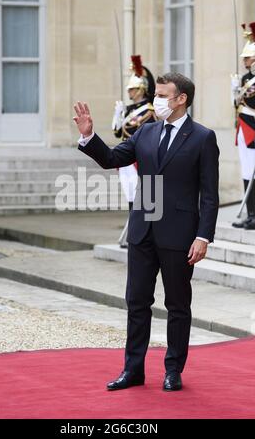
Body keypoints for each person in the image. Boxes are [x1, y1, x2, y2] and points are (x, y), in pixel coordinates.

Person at [74, 72, 219, 392]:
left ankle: (173, 370)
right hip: (143, 229)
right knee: (136, 302)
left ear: (181, 99)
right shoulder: (146, 131)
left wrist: (203, 236)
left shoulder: (202, 137)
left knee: (178, 305)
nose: (157, 100)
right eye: (157, 94)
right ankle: (133, 370)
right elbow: (112, 158)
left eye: (164, 95)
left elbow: (209, 193)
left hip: (180, 233)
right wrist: (89, 137)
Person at [112, 56, 155, 246]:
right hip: (125, 159)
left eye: (133, 88)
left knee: (140, 198)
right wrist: (117, 115)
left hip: (138, 158)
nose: (129, 92)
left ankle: (139, 233)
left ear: (142, 89)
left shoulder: (149, 110)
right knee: (130, 196)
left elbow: (140, 134)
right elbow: (117, 132)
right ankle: (134, 232)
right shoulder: (129, 110)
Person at [232, 22, 255, 230]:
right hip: (245, 124)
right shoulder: (244, 79)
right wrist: (234, 92)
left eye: (248, 58)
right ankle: (251, 213)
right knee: (248, 170)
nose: (245, 61)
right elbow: (237, 104)